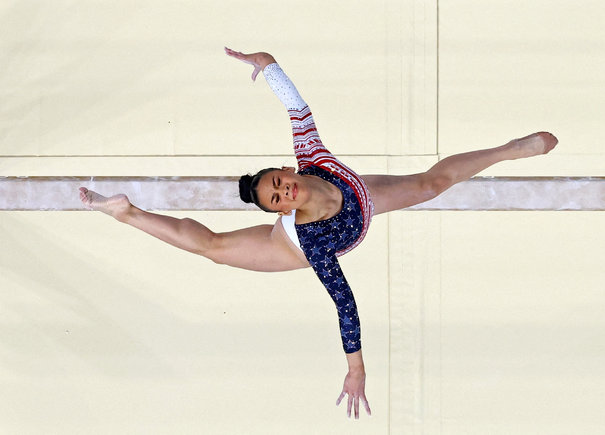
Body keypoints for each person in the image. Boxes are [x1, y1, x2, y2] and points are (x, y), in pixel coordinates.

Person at [79, 47, 558, 419]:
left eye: (278, 183)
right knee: (215, 249)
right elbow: (344, 301)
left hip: (361, 200)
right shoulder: (313, 243)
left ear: (288, 170)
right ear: (280, 209)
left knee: (433, 183)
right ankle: (126, 213)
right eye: (276, 199)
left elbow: (296, 107)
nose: (284, 192)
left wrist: (267, 65)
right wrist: (356, 368)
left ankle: (508, 150)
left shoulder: (313, 158)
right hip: (292, 244)